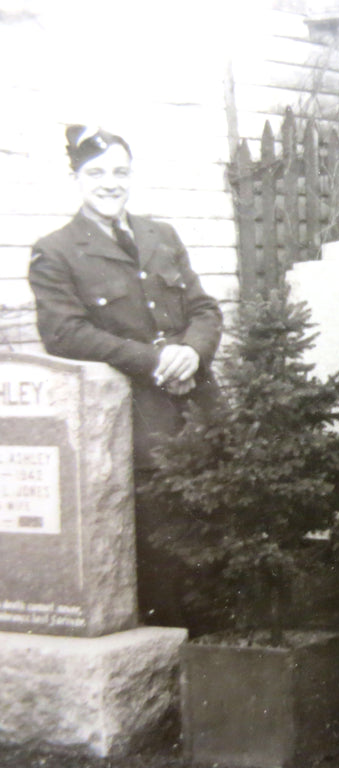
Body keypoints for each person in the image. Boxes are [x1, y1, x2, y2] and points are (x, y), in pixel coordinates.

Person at [28, 125, 223, 627]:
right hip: (140, 424)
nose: (109, 182)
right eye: (96, 172)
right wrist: (153, 359)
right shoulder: (56, 251)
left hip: (202, 412)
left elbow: (204, 309)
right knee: (166, 563)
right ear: (74, 177)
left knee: (223, 550)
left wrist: (192, 352)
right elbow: (64, 333)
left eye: (120, 171)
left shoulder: (161, 235)